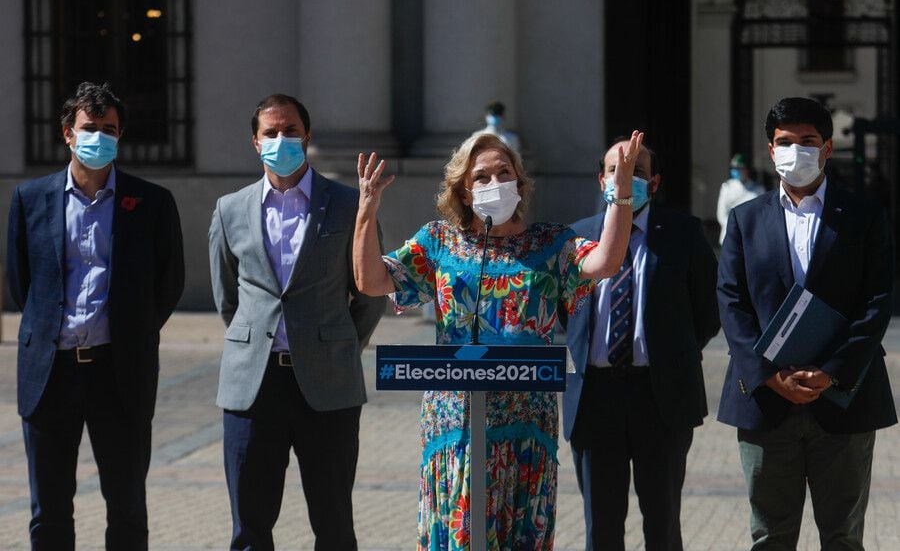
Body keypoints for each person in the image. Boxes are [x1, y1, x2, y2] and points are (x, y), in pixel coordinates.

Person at [354, 130, 643, 548]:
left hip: (524, 425)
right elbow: (371, 281)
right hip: (455, 422)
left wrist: (620, 194)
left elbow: (606, 261)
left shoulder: (550, 243)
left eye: (504, 173)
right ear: (465, 193)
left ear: (520, 184)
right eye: (482, 178)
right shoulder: (440, 241)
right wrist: (367, 209)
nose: (495, 184)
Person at [6, 81, 185, 550]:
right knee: (49, 513)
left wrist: (131, 333)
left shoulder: (151, 202)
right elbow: (24, 283)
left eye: (109, 129)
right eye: (90, 127)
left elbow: (167, 285)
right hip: (51, 373)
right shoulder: (31, 199)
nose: (99, 137)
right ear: (67, 133)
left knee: (126, 508)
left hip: (118, 372)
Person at [208, 93, 386, 550]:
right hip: (254, 384)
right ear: (255, 141)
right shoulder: (230, 210)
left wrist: (336, 341)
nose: (281, 139)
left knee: (333, 523)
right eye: (271, 132)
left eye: (290, 130)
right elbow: (229, 297)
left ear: (307, 136)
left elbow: (369, 292)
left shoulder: (348, 205)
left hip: (327, 383)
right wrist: (257, 340)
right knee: (250, 526)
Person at [717, 97, 896, 549]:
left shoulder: (865, 217)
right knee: (770, 537)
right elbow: (732, 303)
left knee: (842, 536)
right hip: (766, 402)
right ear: (770, 149)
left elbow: (877, 302)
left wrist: (832, 369)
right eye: (784, 142)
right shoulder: (744, 220)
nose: (795, 150)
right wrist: (769, 375)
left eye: (807, 141)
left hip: (843, 398)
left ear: (828, 148)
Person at [560, 138, 719, 550]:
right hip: (595, 396)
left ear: (656, 182)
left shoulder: (684, 233)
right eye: (616, 170)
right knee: (602, 524)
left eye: (638, 171)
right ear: (601, 180)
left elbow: (707, 310)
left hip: (661, 397)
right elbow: (565, 314)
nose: (625, 178)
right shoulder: (575, 237)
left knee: (663, 523)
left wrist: (672, 352)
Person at [716, 153, 764, 246]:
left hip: (751, 237)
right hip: (729, 236)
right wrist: (734, 227)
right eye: (734, 168)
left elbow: (761, 213)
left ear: (746, 169)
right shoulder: (727, 187)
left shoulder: (758, 189)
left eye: (739, 168)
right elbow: (721, 214)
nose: (736, 171)